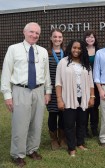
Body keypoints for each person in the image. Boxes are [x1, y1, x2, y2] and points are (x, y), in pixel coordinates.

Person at [1, 22, 51, 167]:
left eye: (37, 33)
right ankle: (18, 154)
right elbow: (6, 73)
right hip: (20, 90)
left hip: (39, 90)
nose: (34, 35)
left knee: (36, 123)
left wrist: (48, 91)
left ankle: (32, 149)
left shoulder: (42, 51)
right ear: (24, 32)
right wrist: (7, 95)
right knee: (20, 124)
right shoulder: (13, 49)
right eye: (31, 32)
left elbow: (46, 73)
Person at [55, 39, 95, 157]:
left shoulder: (86, 64)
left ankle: (80, 143)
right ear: (70, 48)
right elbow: (58, 83)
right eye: (74, 47)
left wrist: (92, 97)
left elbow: (91, 82)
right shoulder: (63, 62)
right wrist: (59, 99)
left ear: (82, 50)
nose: (76, 50)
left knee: (82, 122)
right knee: (69, 124)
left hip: (83, 98)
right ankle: (71, 147)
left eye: (79, 48)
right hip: (68, 98)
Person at [47, 28, 67, 150]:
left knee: (64, 114)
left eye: (60, 37)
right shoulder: (46, 53)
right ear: (51, 38)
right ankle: (54, 139)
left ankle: (63, 138)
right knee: (53, 114)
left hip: (65, 89)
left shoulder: (66, 53)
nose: (57, 39)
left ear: (62, 39)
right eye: (55, 37)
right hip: (52, 90)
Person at [84, 30, 101, 137]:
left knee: (95, 106)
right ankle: (84, 129)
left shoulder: (99, 51)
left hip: (96, 82)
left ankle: (94, 128)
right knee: (85, 106)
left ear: (95, 39)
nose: (90, 39)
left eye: (92, 37)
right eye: (88, 37)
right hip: (84, 82)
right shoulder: (81, 50)